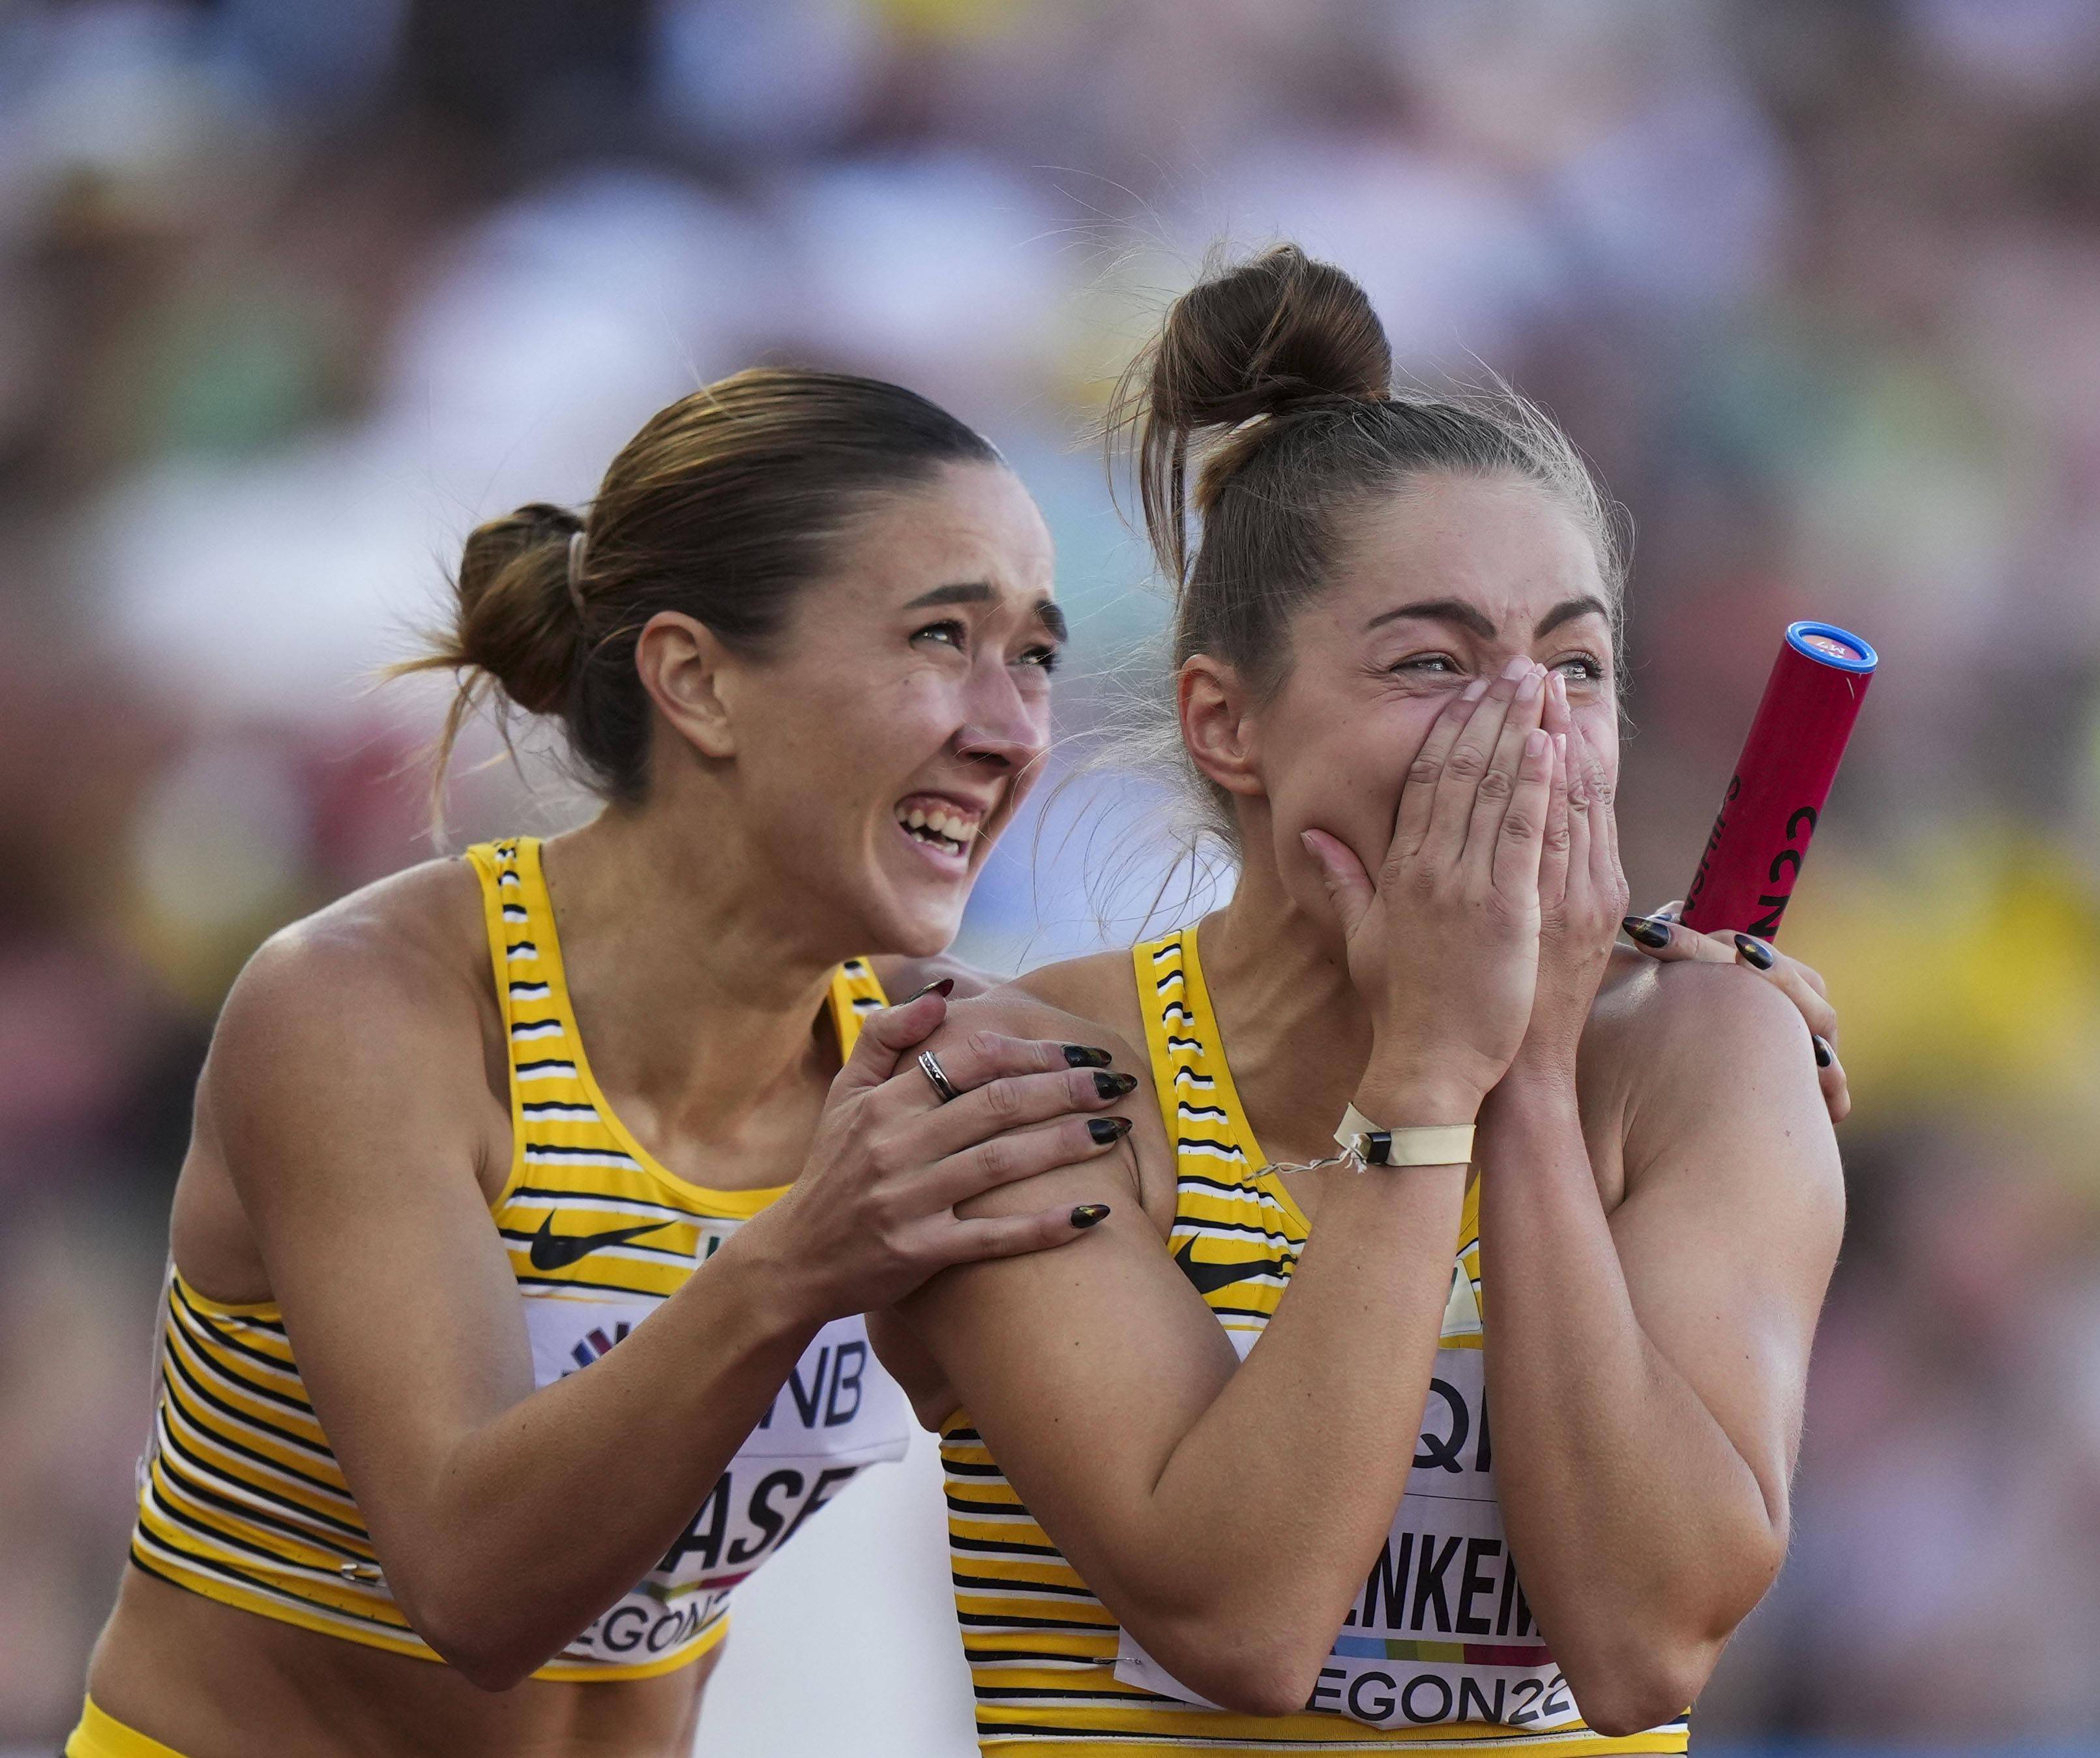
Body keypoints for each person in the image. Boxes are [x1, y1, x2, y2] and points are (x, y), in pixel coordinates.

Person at [67, 369, 1142, 1758]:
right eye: (941, 636)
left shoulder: (930, 1062)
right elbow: (472, 1583)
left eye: (1036, 657)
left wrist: (1423, 1102)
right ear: (695, 678)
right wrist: (795, 1258)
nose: (1011, 730)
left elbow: (1225, 1592)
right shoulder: (366, 1007)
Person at [883, 246, 1847, 1754]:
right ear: (1228, 720)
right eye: (1431, 660)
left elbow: (1647, 1641)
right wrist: (1422, 1084)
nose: (1527, 724)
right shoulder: (1014, 1069)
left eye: (1576, 664)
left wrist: (1525, 1079)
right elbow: (1243, 1615)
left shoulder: (1706, 1053)